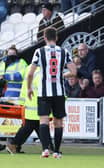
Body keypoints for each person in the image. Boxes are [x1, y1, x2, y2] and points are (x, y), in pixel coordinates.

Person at [27, 27, 77, 158]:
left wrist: (29, 88)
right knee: (58, 122)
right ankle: (57, 151)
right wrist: (62, 75)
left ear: (44, 38)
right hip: (59, 92)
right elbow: (74, 71)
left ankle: (45, 150)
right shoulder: (64, 51)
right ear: (57, 38)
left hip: (44, 92)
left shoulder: (39, 51)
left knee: (43, 121)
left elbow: (30, 73)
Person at [6, 65, 54, 154]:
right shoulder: (42, 71)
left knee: (34, 126)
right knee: (35, 126)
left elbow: (25, 87)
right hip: (38, 103)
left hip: (30, 103)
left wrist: (22, 102)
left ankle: (48, 147)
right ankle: (14, 144)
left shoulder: (29, 68)